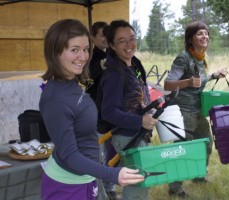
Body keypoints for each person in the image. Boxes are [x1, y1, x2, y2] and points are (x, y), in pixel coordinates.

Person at [39, 19, 144, 200]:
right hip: (67, 186)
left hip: (84, 178)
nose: (83, 56)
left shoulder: (72, 81)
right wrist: (113, 174)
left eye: (86, 49)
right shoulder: (54, 99)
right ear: (55, 51)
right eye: (74, 50)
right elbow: (70, 155)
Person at [164, 21, 227, 197]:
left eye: (206, 33)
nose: (204, 36)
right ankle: (175, 188)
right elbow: (168, 84)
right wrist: (188, 82)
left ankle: (198, 175)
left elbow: (199, 82)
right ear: (190, 38)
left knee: (206, 143)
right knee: (181, 150)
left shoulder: (200, 58)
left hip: (197, 110)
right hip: (183, 112)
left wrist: (214, 75)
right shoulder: (183, 58)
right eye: (200, 33)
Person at [99, 19, 158, 200]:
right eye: (122, 41)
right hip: (126, 136)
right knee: (137, 187)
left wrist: (150, 109)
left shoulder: (133, 65)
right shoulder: (115, 73)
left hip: (137, 134)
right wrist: (140, 120)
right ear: (111, 45)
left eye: (132, 38)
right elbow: (108, 112)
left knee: (138, 183)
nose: (129, 44)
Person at [87, 21, 118, 200]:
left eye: (108, 35)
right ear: (93, 38)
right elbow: (87, 81)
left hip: (113, 112)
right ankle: (96, 189)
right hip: (95, 113)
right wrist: (100, 67)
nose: (106, 39)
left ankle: (110, 188)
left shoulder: (114, 55)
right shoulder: (89, 57)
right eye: (102, 35)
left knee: (113, 152)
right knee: (98, 153)